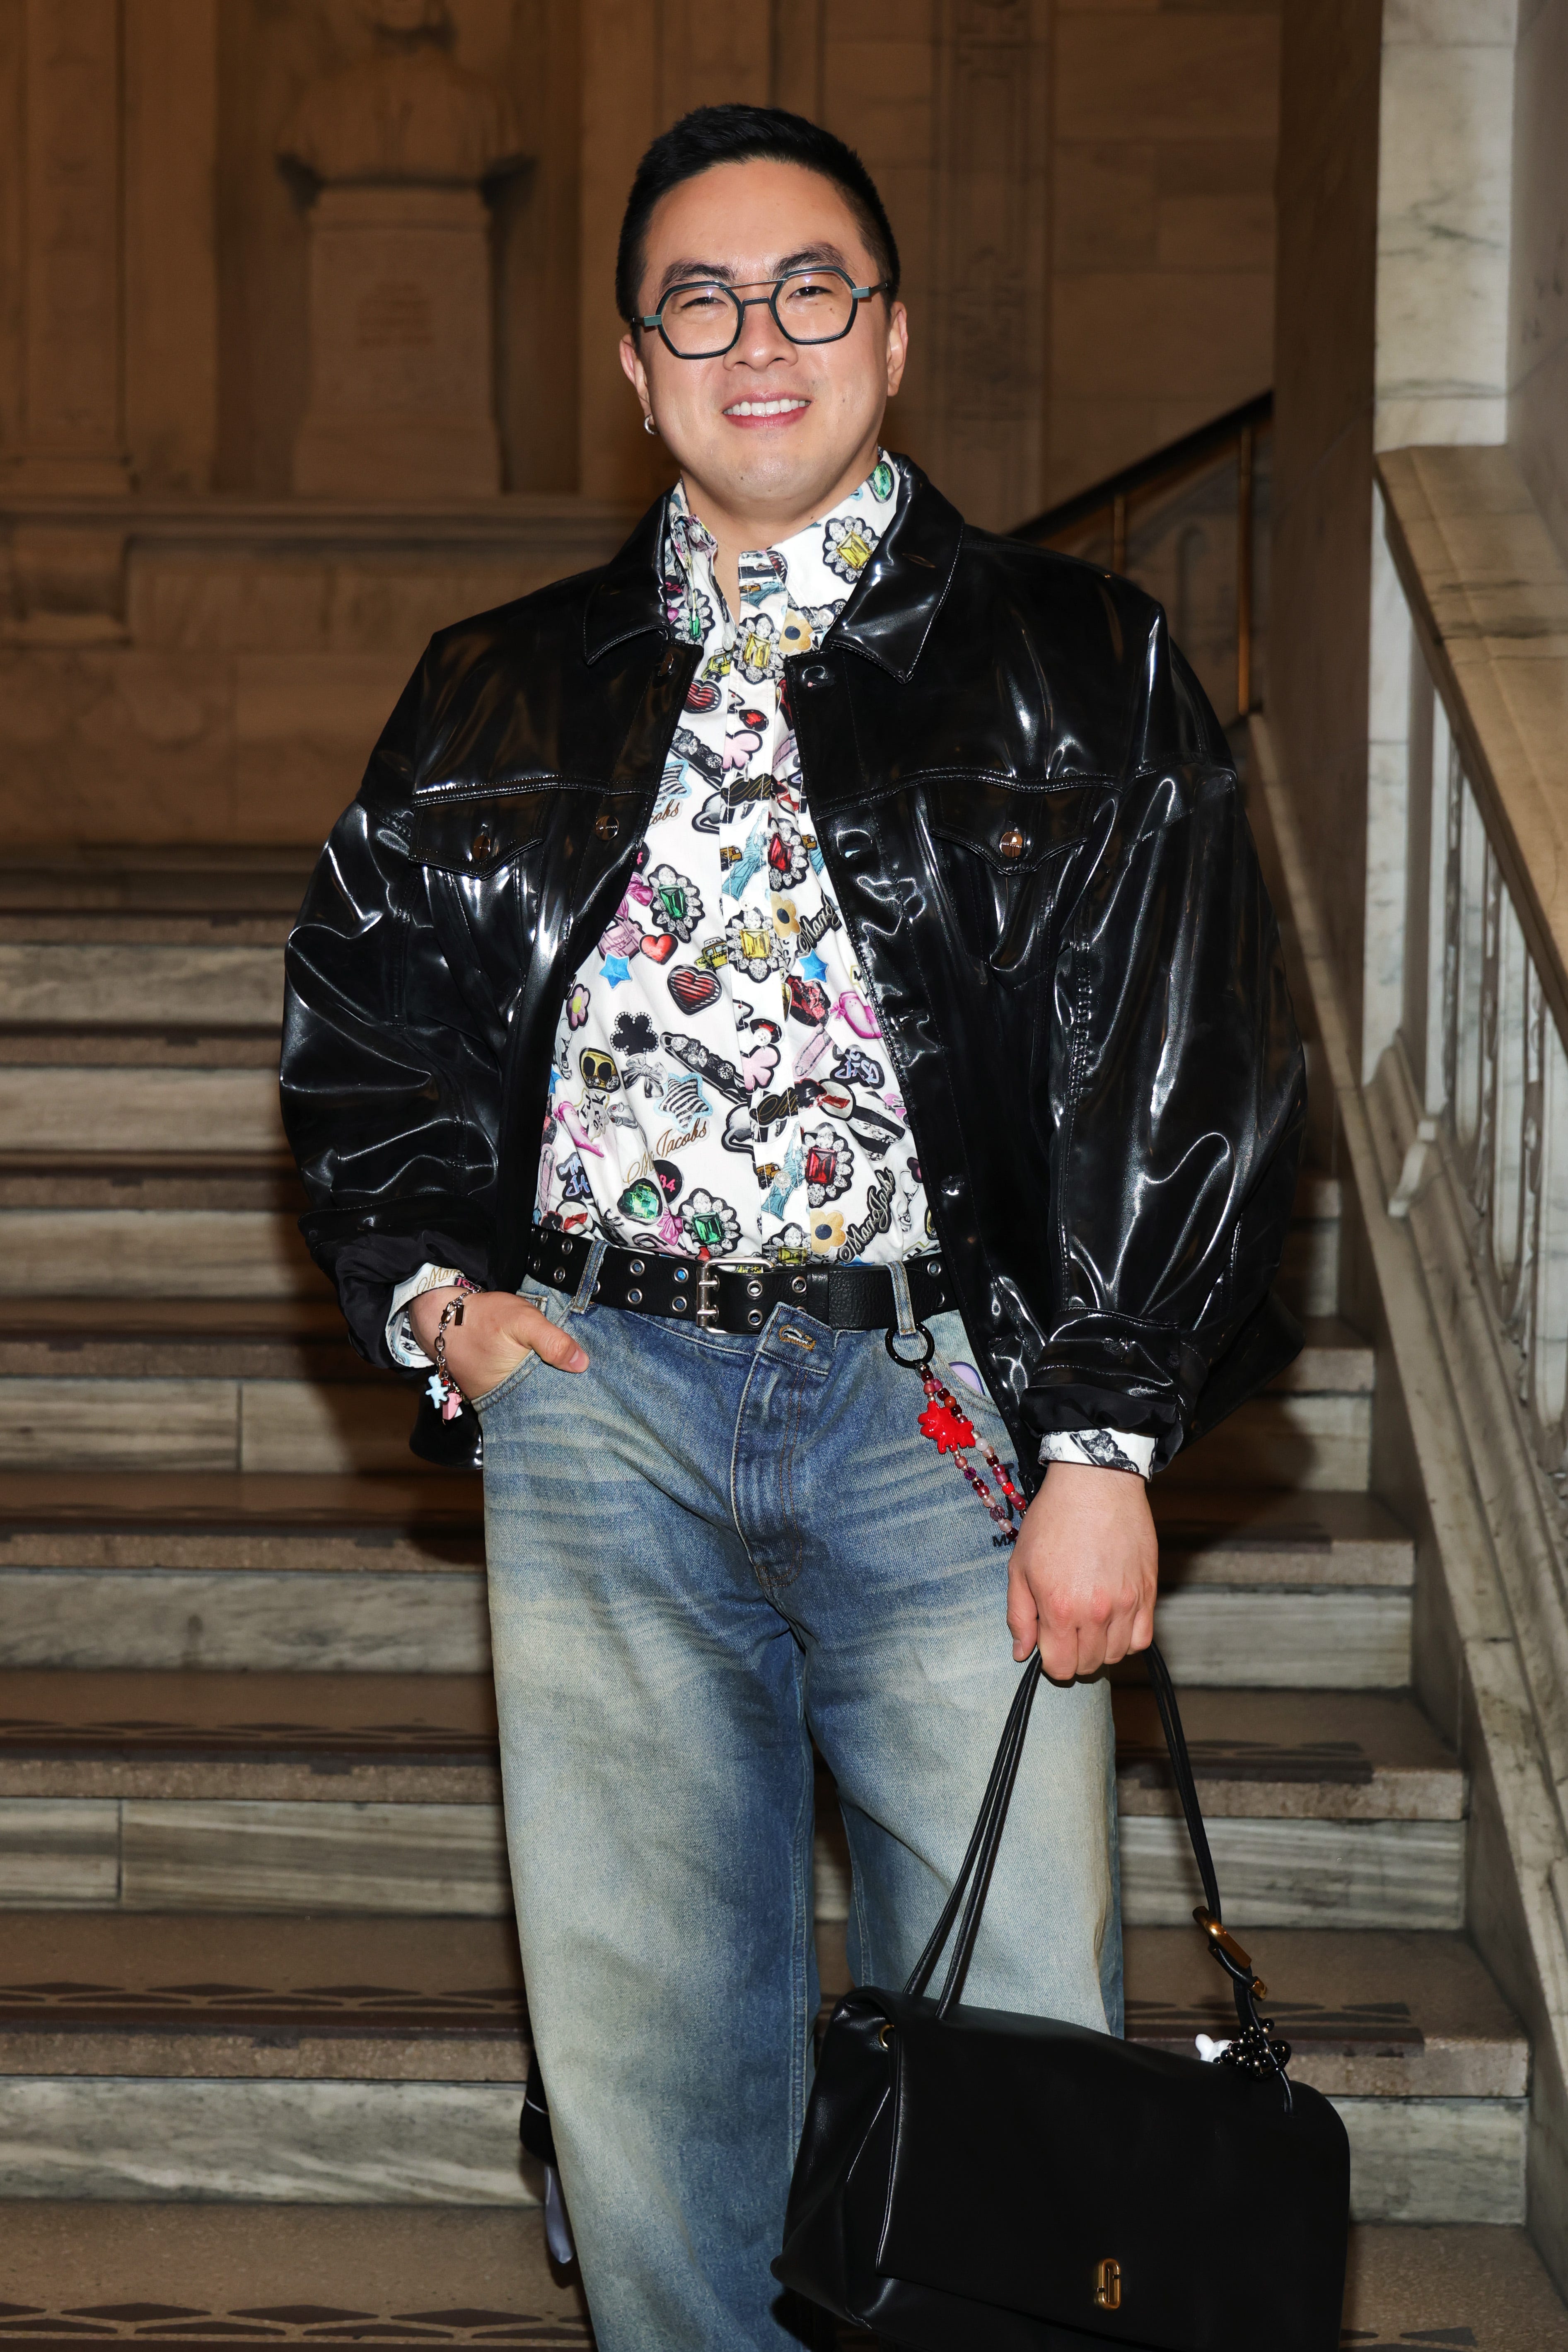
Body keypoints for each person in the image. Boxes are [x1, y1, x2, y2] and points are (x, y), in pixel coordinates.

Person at [280, 103, 1305, 2352]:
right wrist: (442, 1300)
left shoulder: (1080, 663)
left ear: (893, 335)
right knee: (646, 2044)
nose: (761, 340)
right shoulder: (491, 684)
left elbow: (1181, 1063)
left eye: (810, 287)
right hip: (603, 1401)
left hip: (947, 1413)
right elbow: (370, 1022)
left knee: (1011, 2025)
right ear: (636, 369)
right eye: (702, 303)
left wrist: (1105, 1438)